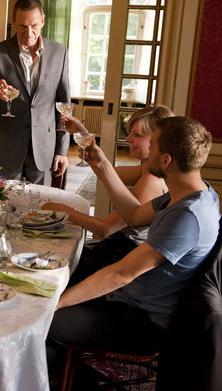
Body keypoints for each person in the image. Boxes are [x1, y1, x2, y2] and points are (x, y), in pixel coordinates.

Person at [47, 116, 220, 375]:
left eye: (154, 145)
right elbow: (134, 216)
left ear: (166, 160)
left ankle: (68, 377)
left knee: (43, 322)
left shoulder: (188, 217)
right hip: (128, 301)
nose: (147, 151)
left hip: (140, 320)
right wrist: (102, 165)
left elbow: (121, 274)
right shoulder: (194, 191)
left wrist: (58, 303)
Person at [44, 106, 173, 281]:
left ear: (157, 140)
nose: (128, 139)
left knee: (48, 258)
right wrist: (82, 134)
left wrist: (65, 211)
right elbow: (106, 171)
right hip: (115, 251)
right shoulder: (148, 169)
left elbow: (105, 229)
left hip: (115, 261)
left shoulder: (151, 181)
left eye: (137, 135)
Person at [0, 0, 69, 185]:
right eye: (23, 26)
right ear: (13, 22)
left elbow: (64, 104)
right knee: (1, 208)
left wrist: (62, 149)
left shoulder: (60, 52)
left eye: (34, 26)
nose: (29, 32)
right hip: (6, 150)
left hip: (44, 150)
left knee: (40, 208)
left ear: (42, 21)